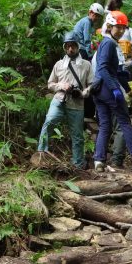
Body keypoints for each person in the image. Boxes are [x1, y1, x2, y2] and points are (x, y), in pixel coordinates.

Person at [92, 11, 132, 172]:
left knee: (105, 125)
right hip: (108, 89)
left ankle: (99, 161)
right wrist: (115, 89)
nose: (121, 30)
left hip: (99, 90)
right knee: (125, 123)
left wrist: (128, 90)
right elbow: (102, 69)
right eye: (117, 27)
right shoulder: (108, 44)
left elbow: (117, 72)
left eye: (123, 27)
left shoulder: (110, 44)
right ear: (109, 26)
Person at [36, 32, 93, 169]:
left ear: (78, 46)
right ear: (64, 47)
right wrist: (61, 86)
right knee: (49, 122)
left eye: (73, 46)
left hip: (77, 103)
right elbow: (50, 84)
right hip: (59, 100)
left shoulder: (86, 65)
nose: (70, 49)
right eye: (67, 46)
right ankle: (41, 155)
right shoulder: (59, 64)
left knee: (78, 136)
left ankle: (78, 164)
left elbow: (91, 84)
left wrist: (83, 93)